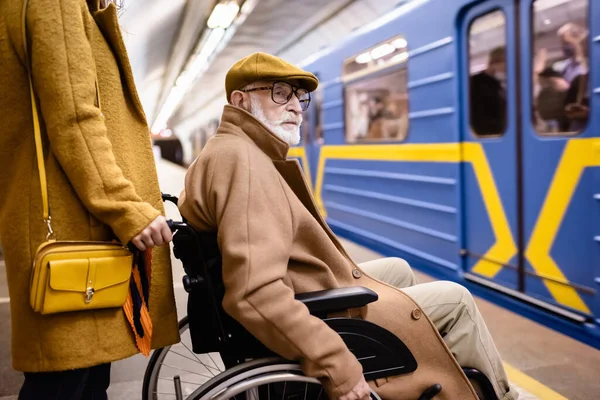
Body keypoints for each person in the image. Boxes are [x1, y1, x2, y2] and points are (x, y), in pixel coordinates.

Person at [178, 52, 518, 400]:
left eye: (299, 96)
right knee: (457, 300)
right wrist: (335, 362)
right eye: (280, 93)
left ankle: (423, 361)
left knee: (397, 270)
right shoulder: (245, 164)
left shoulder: (226, 150)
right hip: (313, 307)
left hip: (303, 285)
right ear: (241, 100)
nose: (295, 106)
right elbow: (255, 294)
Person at [0, 0, 180, 398]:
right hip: (75, 230)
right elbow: (74, 117)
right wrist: (125, 207)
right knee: (67, 382)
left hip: (69, 224)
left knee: (83, 379)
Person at [469, 46, 507, 136]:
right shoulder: (474, 83)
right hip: (485, 136)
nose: (505, 71)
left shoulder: (497, 84)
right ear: (494, 63)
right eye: (504, 67)